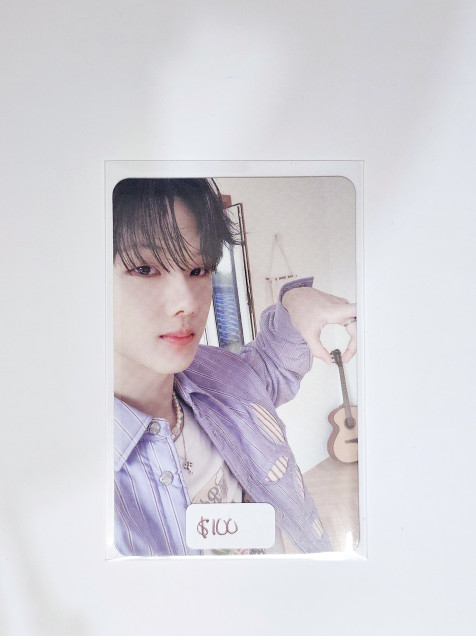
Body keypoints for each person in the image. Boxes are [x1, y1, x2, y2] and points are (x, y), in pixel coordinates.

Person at [113, 178, 357, 556]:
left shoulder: (217, 375)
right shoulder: (65, 476)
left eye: (199, 270)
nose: (187, 303)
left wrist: (296, 301)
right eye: (144, 269)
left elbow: (268, 367)